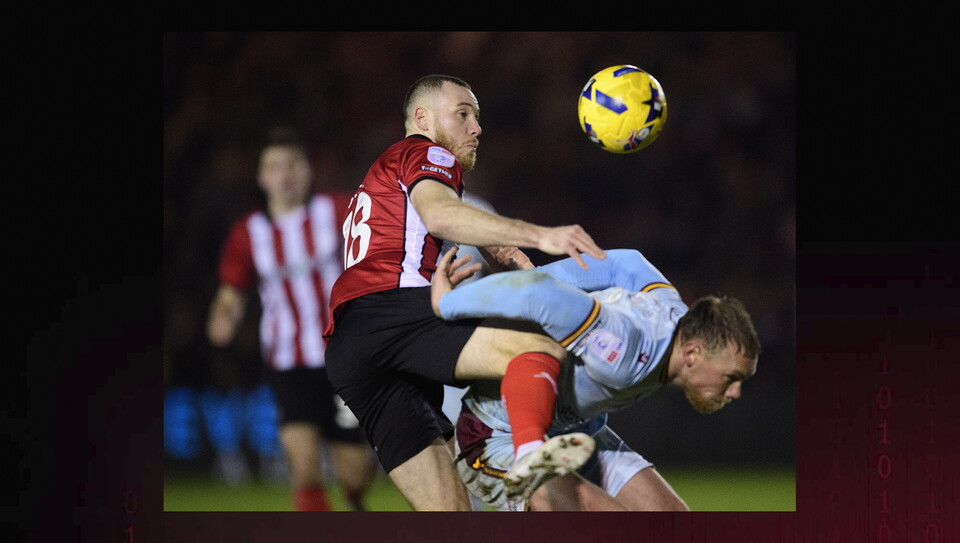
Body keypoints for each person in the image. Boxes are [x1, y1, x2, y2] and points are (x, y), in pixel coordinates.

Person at [323, 74, 608, 511]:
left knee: (451, 514)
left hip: (351, 345)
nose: (476, 128)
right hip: (396, 313)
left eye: (476, 117)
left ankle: (512, 464)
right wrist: (543, 235)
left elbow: (477, 236)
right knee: (539, 353)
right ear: (422, 118)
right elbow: (441, 216)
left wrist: (524, 265)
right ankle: (527, 454)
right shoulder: (426, 151)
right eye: (462, 114)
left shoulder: (383, 175)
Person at [429, 247, 761, 511]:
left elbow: (626, 263)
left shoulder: (672, 312)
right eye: (731, 377)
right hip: (495, 438)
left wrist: (547, 275)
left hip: (573, 433)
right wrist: (448, 303)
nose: (735, 392)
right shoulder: (621, 347)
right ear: (692, 353)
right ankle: (531, 454)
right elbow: (536, 293)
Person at [207, 126, 379, 511]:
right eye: (274, 167)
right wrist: (223, 316)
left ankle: (357, 491)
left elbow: (372, 255)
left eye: (292, 165)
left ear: (308, 171)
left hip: (341, 358)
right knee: (303, 468)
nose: (284, 175)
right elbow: (231, 292)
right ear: (261, 177)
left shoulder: (336, 210)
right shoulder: (248, 233)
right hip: (287, 362)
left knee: (352, 474)